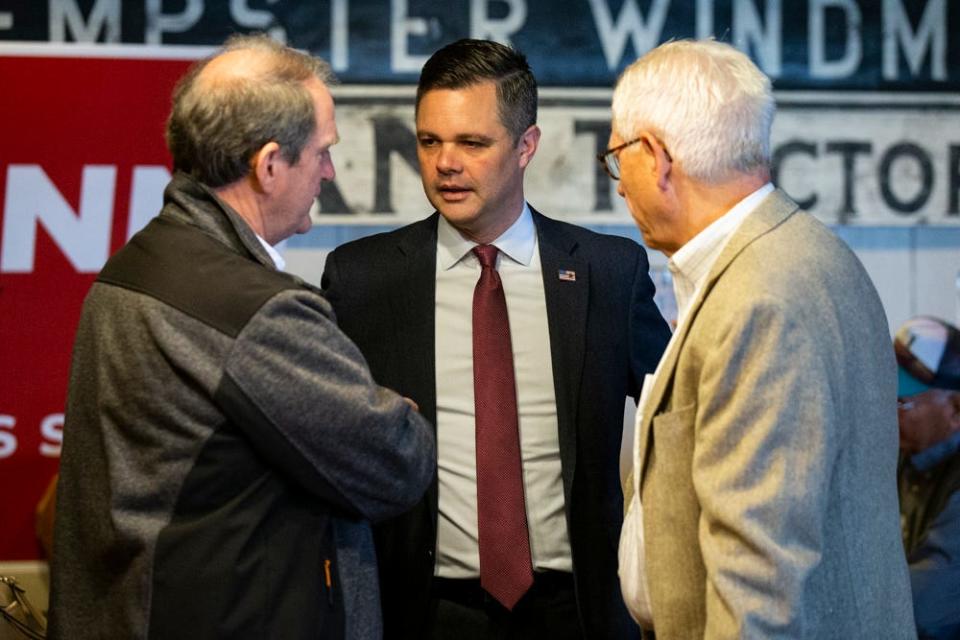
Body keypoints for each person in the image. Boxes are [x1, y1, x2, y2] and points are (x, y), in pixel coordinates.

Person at [48, 35, 435, 640]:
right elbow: (395, 459)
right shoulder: (257, 313)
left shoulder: (132, 269)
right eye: (322, 153)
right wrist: (391, 409)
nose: (330, 173)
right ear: (270, 165)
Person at [322, 39, 671, 639]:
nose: (445, 163)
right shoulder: (361, 279)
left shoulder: (608, 272)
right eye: (430, 141)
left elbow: (684, 412)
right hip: (424, 614)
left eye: (473, 143)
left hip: (579, 612)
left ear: (526, 146)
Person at [608, 39, 915, 638]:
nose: (621, 187)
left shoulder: (759, 298)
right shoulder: (807, 252)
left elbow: (757, 575)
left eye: (619, 159)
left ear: (656, 156)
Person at [895, 316, 960, 639]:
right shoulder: (907, 457)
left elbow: (923, 608)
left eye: (901, 402)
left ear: (955, 410)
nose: (887, 414)